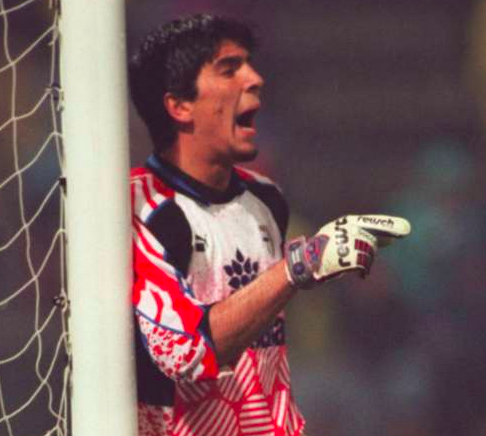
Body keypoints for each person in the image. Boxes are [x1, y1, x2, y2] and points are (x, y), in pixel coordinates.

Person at [128, 13, 410, 436]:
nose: (255, 79)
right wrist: (299, 266)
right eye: (229, 70)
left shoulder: (269, 204)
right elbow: (186, 354)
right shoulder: (146, 211)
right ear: (180, 106)